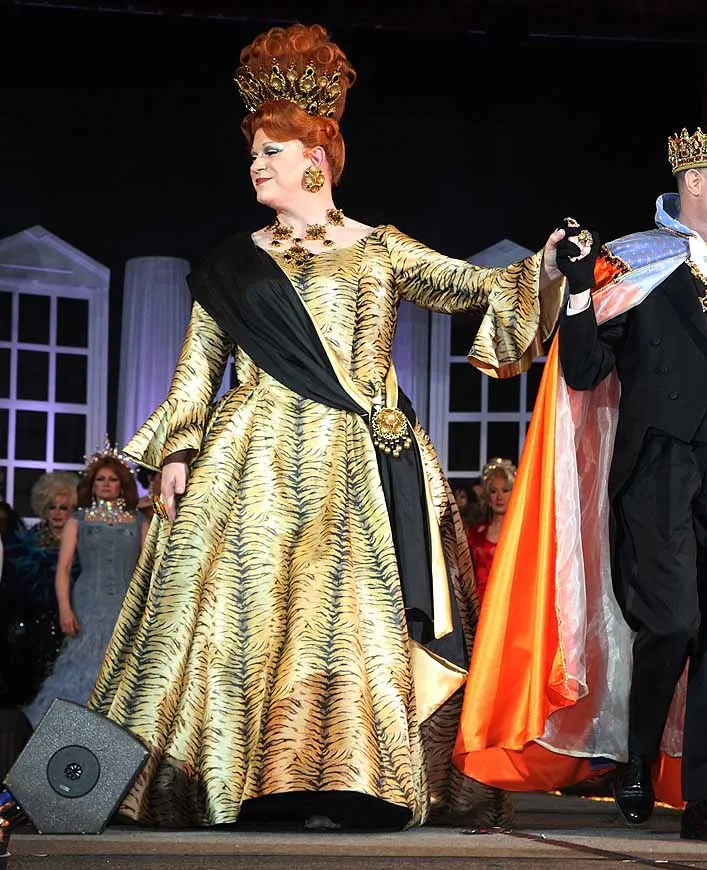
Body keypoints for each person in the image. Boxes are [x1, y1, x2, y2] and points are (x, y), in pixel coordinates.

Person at [89, 23, 564, 829]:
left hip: (360, 463)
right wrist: (176, 450)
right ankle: (248, 782)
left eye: (269, 151)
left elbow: (474, 286)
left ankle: (355, 780)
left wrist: (546, 266)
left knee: (350, 620)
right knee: (246, 616)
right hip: (253, 459)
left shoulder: (379, 249)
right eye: (252, 153)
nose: (255, 165)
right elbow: (198, 369)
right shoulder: (231, 263)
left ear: (315, 157)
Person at [456, 123, 707, 836]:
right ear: (694, 182)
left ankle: (706, 803)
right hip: (656, 472)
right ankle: (638, 756)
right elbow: (584, 370)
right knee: (673, 622)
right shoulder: (632, 264)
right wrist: (579, 290)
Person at [24, 446, 145, 727]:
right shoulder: (78, 520)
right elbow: (64, 569)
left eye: (112, 479)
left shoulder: (139, 520)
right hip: (87, 602)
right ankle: (71, 730)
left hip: (127, 603)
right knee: (81, 663)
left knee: (126, 668)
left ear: (122, 484)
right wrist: (65, 609)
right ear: (91, 484)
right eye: (100, 479)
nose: (106, 484)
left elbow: (149, 568)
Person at [0, 472, 82, 707]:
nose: (57, 513)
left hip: (71, 620)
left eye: (64, 508)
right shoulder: (28, 542)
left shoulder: (81, 545)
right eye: (52, 507)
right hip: (33, 624)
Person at [464, 458, 515, 602]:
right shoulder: (474, 534)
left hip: (511, 604)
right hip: (479, 606)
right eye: (493, 491)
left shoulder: (522, 535)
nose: (499, 497)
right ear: (487, 495)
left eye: (505, 490)